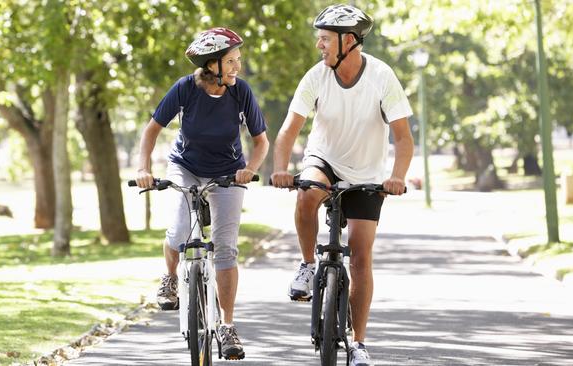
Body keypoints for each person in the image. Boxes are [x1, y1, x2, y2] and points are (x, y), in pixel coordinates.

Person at [270, 4, 413, 366]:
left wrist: (396, 177)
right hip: (325, 160)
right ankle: (306, 265)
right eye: (318, 38)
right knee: (306, 195)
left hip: (366, 174)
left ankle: (360, 344)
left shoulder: (382, 76)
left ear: (348, 41)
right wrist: (281, 168)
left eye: (324, 39)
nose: (319, 46)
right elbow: (289, 129)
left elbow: (403, 137)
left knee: (362, 257)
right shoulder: (316, 77)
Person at [135, 27, 269, 360]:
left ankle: (226, 326)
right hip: (186, 167)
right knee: (179, 231)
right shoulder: (185, 89)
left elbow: (261, 141)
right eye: (232, 61)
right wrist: (143, 168)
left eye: (238, 60)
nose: (238, 67)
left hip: (228, 172)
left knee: (225, 248)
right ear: (212, 65)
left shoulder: (241, 93)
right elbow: (152, 130)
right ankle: (169, 277)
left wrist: (249, 169)